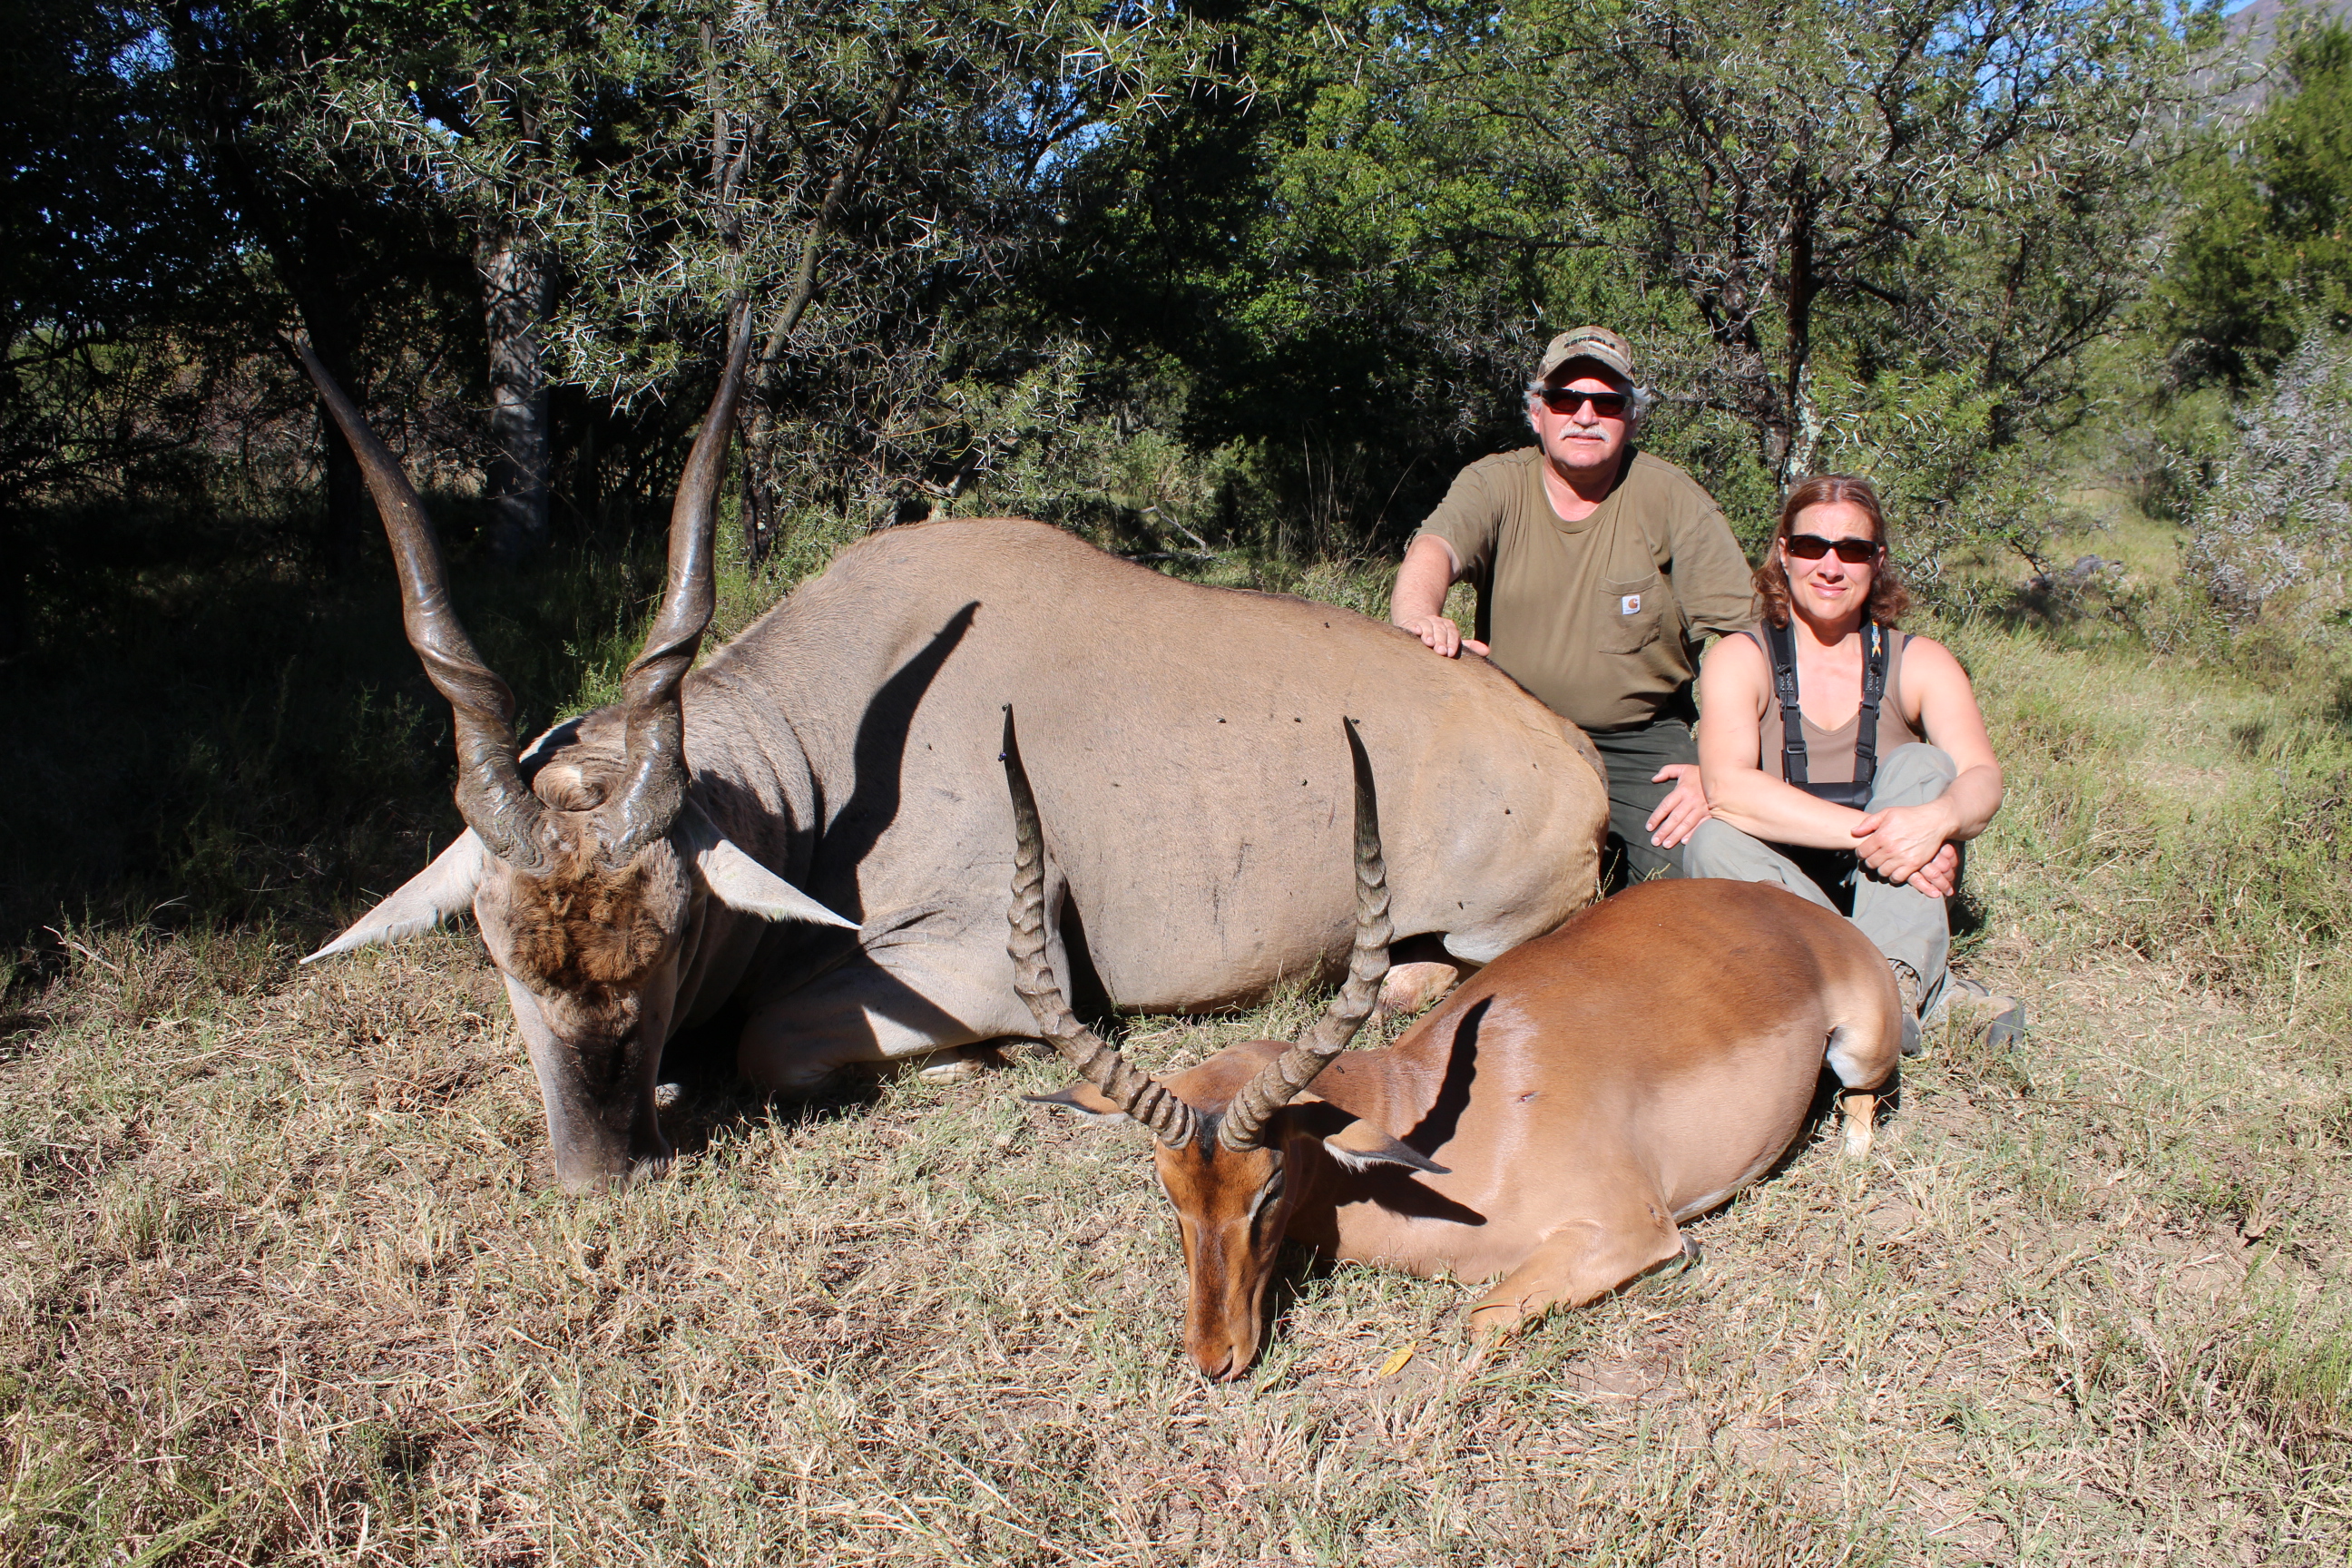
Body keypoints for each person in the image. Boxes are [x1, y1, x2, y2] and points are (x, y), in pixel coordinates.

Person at [1389, 326, 1754, 886]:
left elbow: (1748, 640)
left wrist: (1719, 769)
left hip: (1641, 742)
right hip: (1513, 727)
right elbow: (1434, 549)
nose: (1585, 415)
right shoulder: (1495, 483)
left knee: (1689, 883)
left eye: (1607, 402)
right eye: (1564, 399)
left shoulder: (1672, 498)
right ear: (1537, 413)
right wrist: (1419, 617)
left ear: (1632, 417)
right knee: (1448, 871)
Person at [1686, 474, 2018, 1052]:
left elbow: (1983, 779)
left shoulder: (1921, 661)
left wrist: (1935, 821)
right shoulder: (1742, 658)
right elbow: (1728, 787)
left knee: (1922, 765)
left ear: (1877, 561)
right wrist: (1891, 837)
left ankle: (1886, 990)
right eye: (1812, 546)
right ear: (1784, 554)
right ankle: (1916, 997)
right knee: (1711, 840)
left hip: (1891, 891)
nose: (1831, 566)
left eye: (1853, 550)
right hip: (1791, 887)